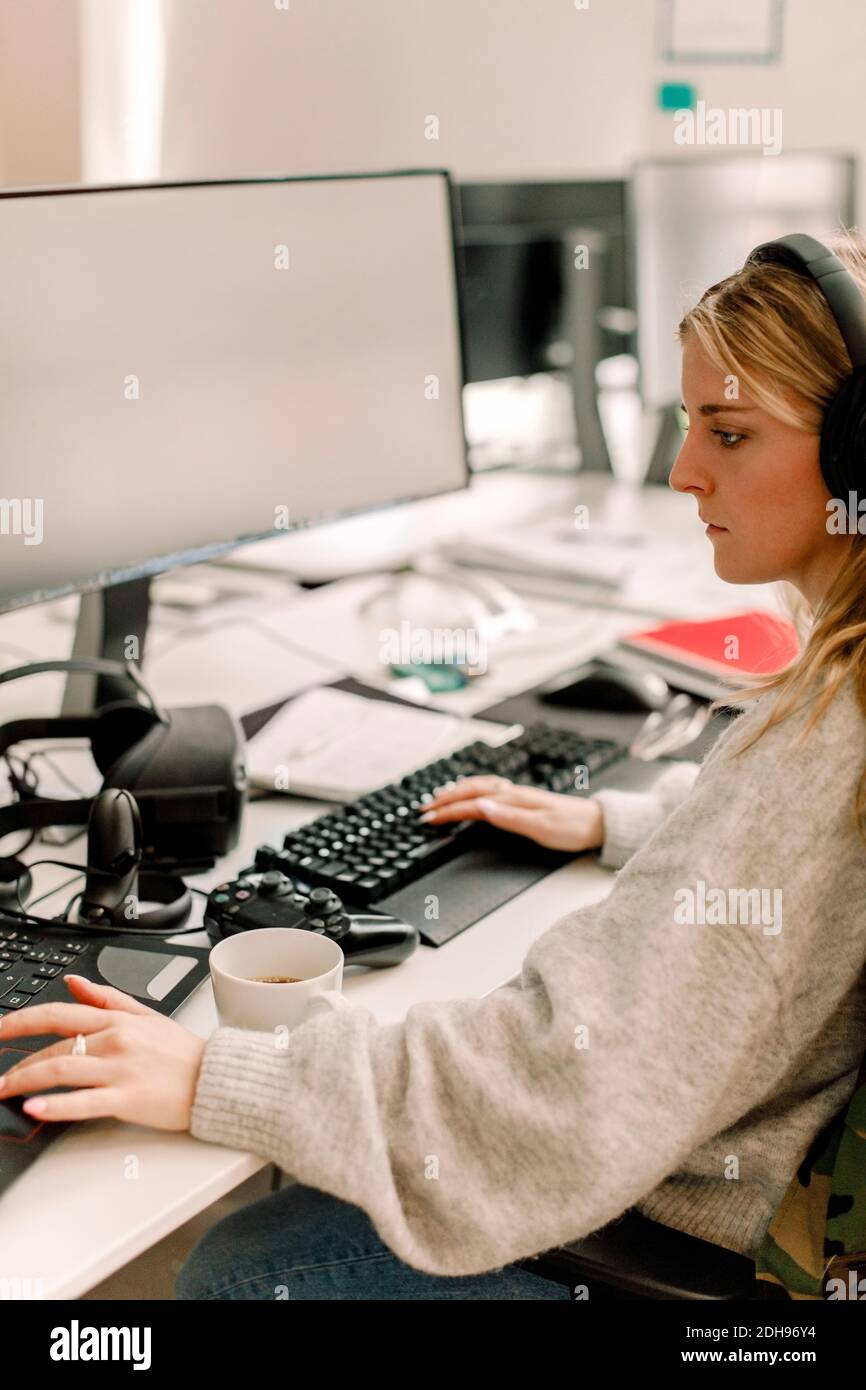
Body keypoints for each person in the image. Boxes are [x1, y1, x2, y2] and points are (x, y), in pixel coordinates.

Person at [2, 232, 866, 1301]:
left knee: (241, 1271)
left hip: (676, 1237)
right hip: (731, 1169)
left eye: (728, 432)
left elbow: (557, 1089)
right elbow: (801, 870)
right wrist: (626, 824)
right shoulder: (833, 714)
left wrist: (219, 1076)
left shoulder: (820, 747)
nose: (686, 469)